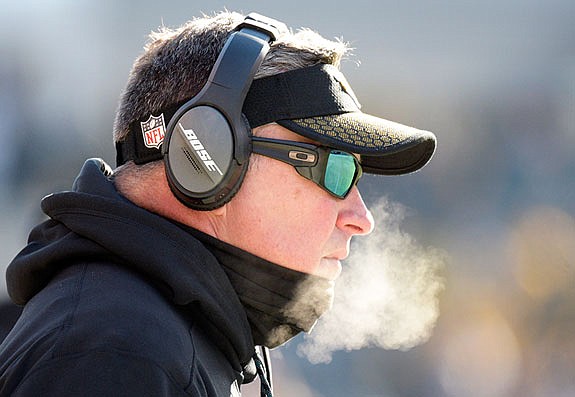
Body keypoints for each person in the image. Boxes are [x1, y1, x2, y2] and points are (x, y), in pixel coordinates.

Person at [0, 10, 436, 397]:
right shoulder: (119, 354)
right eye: (335, 171)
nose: (362, 218)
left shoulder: (157, 334)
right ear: (209, 154)